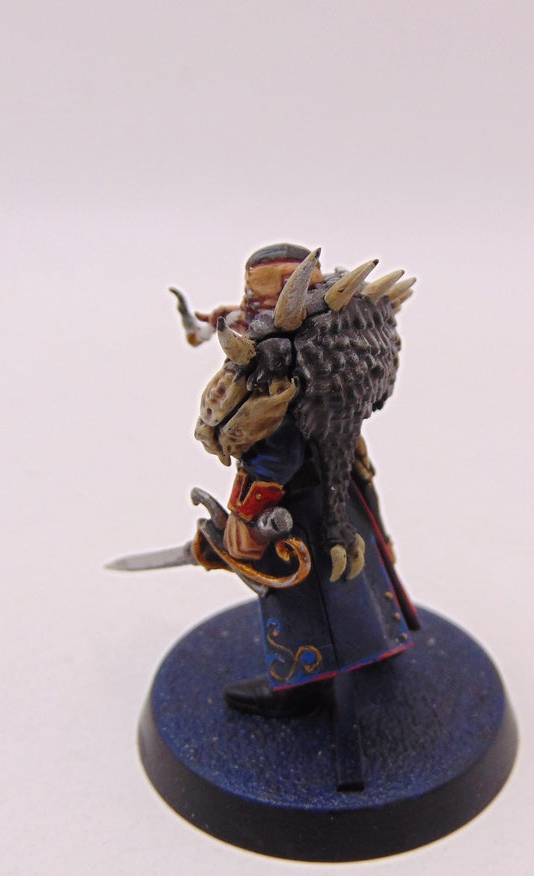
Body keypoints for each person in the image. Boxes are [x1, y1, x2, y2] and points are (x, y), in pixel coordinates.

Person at [177, 244, 421, 717]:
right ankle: (379, 640)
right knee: (355, 571)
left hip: (296, 504)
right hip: (341, 480)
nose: (250, 307)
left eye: (257, 299)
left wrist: (246, 513)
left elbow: (277, 451)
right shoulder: (316, 340)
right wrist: (219, 321)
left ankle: (305, 688)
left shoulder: (285, 363)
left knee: (303, 595)